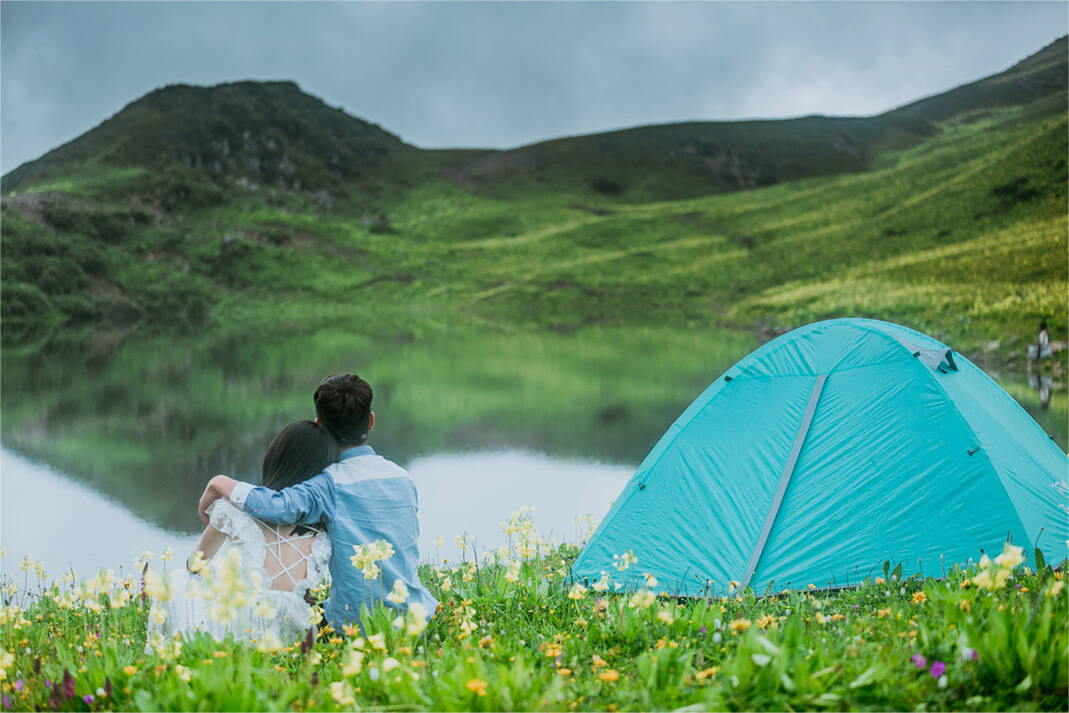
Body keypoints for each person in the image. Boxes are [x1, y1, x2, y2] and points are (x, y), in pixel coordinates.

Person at [197, 373, 437, 633]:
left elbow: (276, 505)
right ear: (370, 421)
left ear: (319, 425)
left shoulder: (327, 485)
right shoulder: (402, 478)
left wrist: (218, 482)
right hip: (417, 616)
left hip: (357, 625)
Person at [148, 420, 337, 647]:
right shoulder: (325, 523)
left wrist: (225, 572)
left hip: (247, 624)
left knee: (178, 579)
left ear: (276, 458)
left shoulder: (234, 510)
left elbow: (195, 565)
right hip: (297, 626)